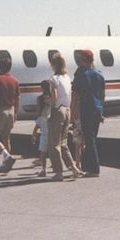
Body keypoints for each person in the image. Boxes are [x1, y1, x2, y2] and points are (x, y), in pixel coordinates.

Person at [47, 53, 82, 181]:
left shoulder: (53, 79)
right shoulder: (67, 78)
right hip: (67, 110)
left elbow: (54, 97)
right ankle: (73, 167)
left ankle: (58, 172)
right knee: (63, 142)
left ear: (53, 65)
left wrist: (50, 105)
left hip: (58, 110)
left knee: (54, 144)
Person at [71, 49, 105, 177]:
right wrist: (101, 111)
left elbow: (75, 95)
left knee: (89, 140)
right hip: (96, 110)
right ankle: (88, 166)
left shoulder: (81, 75)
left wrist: (72, 111)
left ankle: (94, 169)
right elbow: (102, 95)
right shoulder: (99, 74)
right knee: (92, 139)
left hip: (86, 110)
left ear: (83, 60)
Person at [32, 80, 52, 177]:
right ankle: (55, 165)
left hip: (44, 135)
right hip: (54, 132)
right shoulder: (54, 100)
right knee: (55, 150)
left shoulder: (41, 117)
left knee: (43, 152)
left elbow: (36, 127)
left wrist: (33, 135)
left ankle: (43, 169)